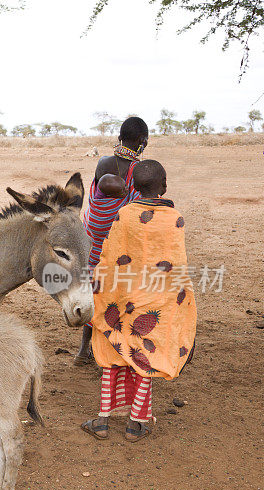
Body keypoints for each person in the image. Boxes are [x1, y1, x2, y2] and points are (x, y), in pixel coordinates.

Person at [81, 160, 196, 441]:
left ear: (134, 185)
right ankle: (135, 424)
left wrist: (100, 292)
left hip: (122, 299)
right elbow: (176, 269)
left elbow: (109, 259)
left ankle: (103, 421)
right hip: (156, 302)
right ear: (164, 184)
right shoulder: (175, 219)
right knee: (147, 352)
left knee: (113, 352)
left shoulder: (125, 214)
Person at [75, 116, 149, 366]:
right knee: (115, 296)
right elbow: (139, 207)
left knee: (94, 291)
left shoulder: (102, 162)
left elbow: (96, 199)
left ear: (120, 136)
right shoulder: (138, 170)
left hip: (91, 236)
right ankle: (107, 354)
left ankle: (83, 350)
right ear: (142, 140)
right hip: (114, 241)